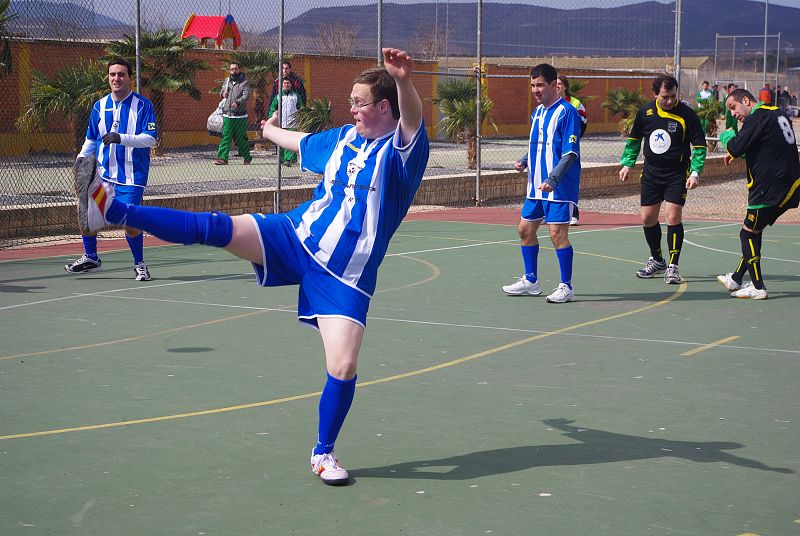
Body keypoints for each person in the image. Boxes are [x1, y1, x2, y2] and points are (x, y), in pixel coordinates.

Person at [74, 48, 429, 486]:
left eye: (359, 102)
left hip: (345, 274)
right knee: (219, 228)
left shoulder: (402, 154)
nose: (351, 108)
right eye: (351, 102)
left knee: (343, 366)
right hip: (296, 235)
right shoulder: (343, 138)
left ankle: (322, 452)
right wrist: (269, 129)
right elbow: (301, 143)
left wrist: (405, 80)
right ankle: (113, 211)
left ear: (383, 107)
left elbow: (411, 120)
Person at [64, 59, 156, 281]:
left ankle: (140, 264)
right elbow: (91, 140)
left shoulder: (143, 105)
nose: (116, 78)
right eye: (113, 74)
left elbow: (150, 139)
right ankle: (91, 258)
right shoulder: (99, 106)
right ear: (108, 77)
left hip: (132, 177)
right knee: (85, 212)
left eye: (121, 74)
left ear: (129, 78)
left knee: (130, 223)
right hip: (103, 175)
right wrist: (81, 160)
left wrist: (120, 138)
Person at [503, 63, 581, 303]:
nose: (536, 90)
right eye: (533, 85)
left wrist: (553, 179)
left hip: (558, 187)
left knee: (557, 234)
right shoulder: (536, 113)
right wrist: (525, 160)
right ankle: (531, 281)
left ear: (554, 85)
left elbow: (570, 153)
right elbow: (540, 144)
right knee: (525, 230)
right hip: (535, 186)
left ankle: (566, 287)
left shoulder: (568, 113)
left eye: (540, 85)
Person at [619, 75, 707, 284]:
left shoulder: (686, 114)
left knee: (673, 216)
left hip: (677, 173)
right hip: (651, 173)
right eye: (665, 97)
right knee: (647, 218)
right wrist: (627, 163)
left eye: (673, 96)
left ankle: (673, 266)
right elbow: (634, 140)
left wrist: (695, 172)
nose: (670, 101)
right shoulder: (646, 112)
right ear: (655, 94)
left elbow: (700, 146)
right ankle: (658, 260)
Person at [716, 89, 800, 299]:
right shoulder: (777, 113)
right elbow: (765, 146)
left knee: (747, 234)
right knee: (755, 230)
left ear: (746, 100)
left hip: (769, 188)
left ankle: (758, 286)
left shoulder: (757, 117)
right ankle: (735, 278)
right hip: (790, 184)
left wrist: (726, 134)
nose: (733, 113)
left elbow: (735, 147)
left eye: (733, 107)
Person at [556, 75, 587, 225]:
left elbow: (583, 124)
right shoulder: (549, 103)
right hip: (554, 148)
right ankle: (545, 211)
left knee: (570, 179)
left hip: (569, 148)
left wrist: (571, 140)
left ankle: (573, 213)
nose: (557, 86)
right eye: (554, 83)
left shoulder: (575, 104)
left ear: (565, 86)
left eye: (560, 83)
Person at [214, 61, 252, 166]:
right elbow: (221, 93)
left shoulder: (245, 82)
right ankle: (222, 158)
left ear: (239, 69)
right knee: (226, 137)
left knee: (241, 138)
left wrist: (238, 102)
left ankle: (247, 157)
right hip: (227, 115)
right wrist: (223, 94)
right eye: (231, 69)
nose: (233, 71)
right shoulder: (227, 81)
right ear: (229, 70)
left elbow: (246, 95)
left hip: (240, 116)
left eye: (235, 69)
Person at [268, 77, 305, 166]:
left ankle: (288, 160)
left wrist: (302, 116)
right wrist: (271, 117)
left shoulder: (295, 96)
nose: (286, 85)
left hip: (293, 123)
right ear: (282, 85)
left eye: (288, 83)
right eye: (284, 83)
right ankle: (282, 159)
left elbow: (301, 107)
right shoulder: (278, 96)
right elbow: (272, 108)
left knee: (290, 141)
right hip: (281, 122)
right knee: (281, 142)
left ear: (291, 85)